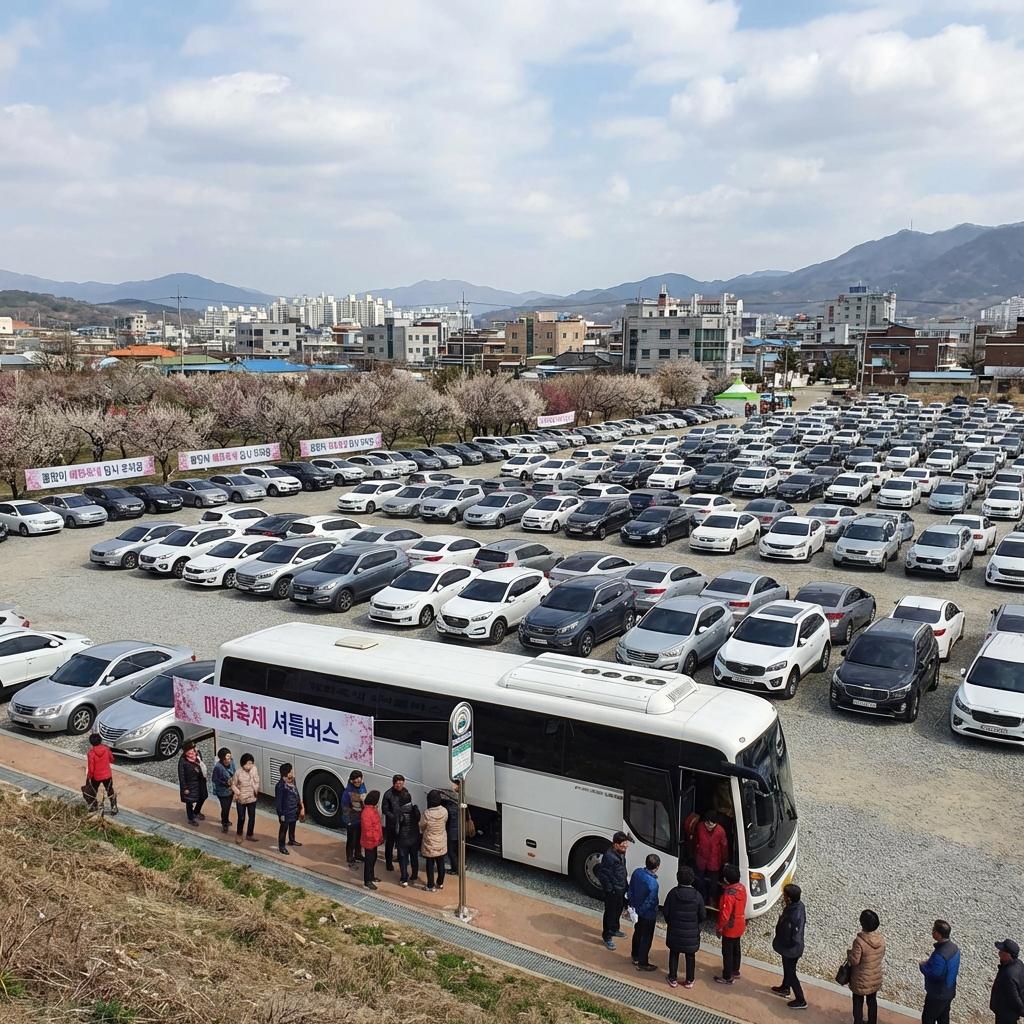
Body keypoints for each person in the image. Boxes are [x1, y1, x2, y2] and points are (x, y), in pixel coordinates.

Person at [662, 864, 705, 989]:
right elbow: (702, 915)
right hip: (691, 934)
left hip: (675, 931)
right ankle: (689, 980)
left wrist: (671, 923)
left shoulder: (673, 893)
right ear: (692, 879)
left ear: (677, 878)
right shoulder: (698, 896)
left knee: (674, 954)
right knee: (690, 956)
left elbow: (666, 912)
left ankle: (672, 978)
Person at [771, 882, 807, 1010]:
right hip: (788, 947)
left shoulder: (794, 913)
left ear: (789, 898)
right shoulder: (798, 906)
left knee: (791, 973)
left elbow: (795, 935)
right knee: (787, 968)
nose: (783, 897)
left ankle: (800, 999)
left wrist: (789, 945)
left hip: (791, 949)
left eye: (785, 895)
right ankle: (785, 987)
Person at [847, 909, 886, 1024]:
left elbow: (855, 961)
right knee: (872, 1001)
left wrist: (849, 954)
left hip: (860, 979)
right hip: (875, 977)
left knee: (858, 1002)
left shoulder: (859, 941)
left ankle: (858, 1022)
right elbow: (881, 954)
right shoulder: (881, 939)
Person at [920, 919, 960, 1024]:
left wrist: (922, 966)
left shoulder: (940, 954)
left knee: (928, 1019)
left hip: (937, 993)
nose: (932, 932)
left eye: (933, 930)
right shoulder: (954, 948)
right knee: (943, 1018)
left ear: (938, 934)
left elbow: (935, 974)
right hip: (949, 991)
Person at [595, 831, 630, 950]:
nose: (625, 846)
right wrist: (610, 890)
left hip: (620, 888)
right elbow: (603, 875)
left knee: (618, 909)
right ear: (615, 844)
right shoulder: (609, 857)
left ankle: (615, 929)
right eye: (622, 844)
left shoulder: (621, 853)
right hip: (613, 891)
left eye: (626, 843)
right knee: (610, 913)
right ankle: (607, 936)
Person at [714, 863, 747, 984]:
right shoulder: (742, 888)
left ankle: (727, 976)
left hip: (729, 928)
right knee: (736, 948)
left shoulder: (727, 896)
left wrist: (719, 928)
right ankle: (735, 970)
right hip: (740, 924)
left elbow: (724, 916)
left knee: (727, 952)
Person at [627, 853, 660, 972]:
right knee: (646, 938)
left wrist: (633, 907)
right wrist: (641, 911)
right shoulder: (653, 884)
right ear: (657, 867)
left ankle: (635, 955)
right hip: (648, 914)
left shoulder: (637, 873)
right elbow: (650, 901)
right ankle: (643, 962)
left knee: (637, 933)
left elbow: (630, 890)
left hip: (637, 910)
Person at [693, 811, 728, 908]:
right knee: (700, 879)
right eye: (707, 823)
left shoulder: (721, 831)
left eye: (712, 823)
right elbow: (695, 839)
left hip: (714, 860)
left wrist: (724, 861)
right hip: (701, 857)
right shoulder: (699, 827)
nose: (709, 825)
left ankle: (712, 898)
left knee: (713, 882)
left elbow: (724, 847)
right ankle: (702, 898)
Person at [419, 789, 449, 893]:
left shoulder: (427, 813)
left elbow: (422, 825)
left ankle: (430, 885)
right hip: (441, 840)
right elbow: (445, 821)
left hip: (430, 842)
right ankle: (440, 883)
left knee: (430, 864)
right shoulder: (444, 811)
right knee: (441, 862)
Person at [991, 939, 1024, 1024]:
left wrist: (1022, 1011)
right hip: (1009, 1013)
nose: (999, 953)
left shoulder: (1008, 975)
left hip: (1006, 1014)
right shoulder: (1019, 963)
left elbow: (1014, 998)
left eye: (1001, 951)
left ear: (1008, 955)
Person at [230, 752, 260, 845]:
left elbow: (257, 781)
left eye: (251, 763)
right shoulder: (238, 772)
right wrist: (237, 793)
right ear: (243, 764)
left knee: (252, 817)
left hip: (252, 798)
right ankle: (239, 834)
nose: (250, 765)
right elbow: (233, 784)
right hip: (241, 799)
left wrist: (256, 789)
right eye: (248, 763)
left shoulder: (254, 770)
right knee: (241, 817)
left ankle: (250, 834)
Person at [177, 741, 208, 827]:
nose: (194, 751)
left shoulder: (198, 754)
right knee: (189, 802)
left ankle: (197, 811)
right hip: (190, 784)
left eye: (194, 749)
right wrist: (184, 788)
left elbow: (201, 764)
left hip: (200, 781)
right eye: (191, 750)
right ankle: (191, 818)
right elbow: (181, 776)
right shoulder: (183, 761)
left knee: (203, 796)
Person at [85, 733, 117, 815]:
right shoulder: (106, 749)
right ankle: (114, 807)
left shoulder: (91, 753)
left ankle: (93, 806)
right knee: (110, 790)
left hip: (96, 776)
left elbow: (91, 768)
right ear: (100, 740)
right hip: (107, 775)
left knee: (93, 791)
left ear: (91, 742)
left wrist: (89, 777)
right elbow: (112, 759)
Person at [274, 763, 302, 854]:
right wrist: (280, 814)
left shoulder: (293, 781)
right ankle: (281, 846)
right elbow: (278, 802)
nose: (293, 773)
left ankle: (292, 840)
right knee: (283, 829)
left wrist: (299, 805)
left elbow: (296, 792)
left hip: (294, 809)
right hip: (285, 812)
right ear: (286, 773)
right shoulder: (280, 786)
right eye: (291, 771)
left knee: (293, 825)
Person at [380, 774, 406, 872]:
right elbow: (384, 809)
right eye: (397, 783)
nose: (399, 786)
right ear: (394, 783)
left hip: (402, 823)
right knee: (390, 844)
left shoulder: (405, 792)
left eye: (401, 783)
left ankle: (401, 858)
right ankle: (388, 863)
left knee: (401, 843)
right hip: (391, 824)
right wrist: (394, 817)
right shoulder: (388, 794)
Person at [396, 789, 421, 887]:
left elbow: (397, 828)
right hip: (414, 837)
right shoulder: (415, 809)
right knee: (414, 857)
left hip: (403, 839)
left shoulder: (399, 811)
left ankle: (404, 879)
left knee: (403, 858)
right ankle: (414, 875)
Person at [359, 790, 383, 890]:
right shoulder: (368, 812)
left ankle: (371, 877)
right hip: (370, 841)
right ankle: (367, 881)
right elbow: (368, 829)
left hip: (374, 841)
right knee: (369, 861)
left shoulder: (371, 809)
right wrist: (376, 838)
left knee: (373, 859)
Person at [342, 770, 367, 866]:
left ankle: (358, 854)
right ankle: (349, 856)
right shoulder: (347, 793)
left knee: (359, 838)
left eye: (359, 780)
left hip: (361, 819)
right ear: (352, 781)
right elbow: (345, 808)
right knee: (351, 839)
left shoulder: (361, 787)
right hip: (352, 820)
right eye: (356, 780)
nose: (358, 782)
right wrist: (347, 821)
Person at [210, 747, 236, 834]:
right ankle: (224, 823)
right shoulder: (218, 767)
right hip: (222, 791)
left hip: (230, 789)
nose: (229, 760)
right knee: (224, 808)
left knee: (227, 807)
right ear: (222, 759)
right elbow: (215, 780)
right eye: (227, 758)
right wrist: (226, 783)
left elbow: (235, 772)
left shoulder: (232, 762)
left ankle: (226, 820)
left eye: (229, 758)